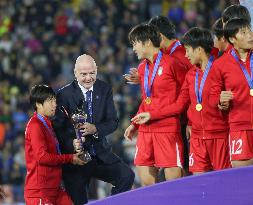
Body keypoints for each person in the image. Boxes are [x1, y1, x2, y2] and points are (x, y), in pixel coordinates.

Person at [132, 27, 231, 174]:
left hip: (219, 134)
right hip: (197, 137)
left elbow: (230, 94)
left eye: (188, 50)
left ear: (198, 49)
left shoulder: (221, 68)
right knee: (198, 184)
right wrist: (190, 122)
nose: (185, 55)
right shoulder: (191, 75)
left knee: (223, 180)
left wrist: (225, 101)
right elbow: (182, 104)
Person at [52, 54, 134, 205]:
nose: (88, 78)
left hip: (100, 155)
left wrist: (95, 128)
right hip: (76, 160)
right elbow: (58, 129)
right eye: (84, 74)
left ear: (96, 71)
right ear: (75, 73)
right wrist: (72, 143)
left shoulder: (104, 89)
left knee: (127, 176)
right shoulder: (64, 95)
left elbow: (113, 122)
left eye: (92, 73)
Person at [124, 16, 192, 174]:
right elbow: (147, 99)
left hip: (169, 126)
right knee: (145, 176)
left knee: (175, 179)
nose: (133, 48)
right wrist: (135, 123)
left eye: (135, 43)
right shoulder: (143, 68)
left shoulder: (174, 62)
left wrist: (190, 121)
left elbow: (187, 95)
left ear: (148, 41)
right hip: (147, 127)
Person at [24, 85, 85, 205]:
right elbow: (42, 157)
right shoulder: (36, 125)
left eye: (54, 100)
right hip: (40, 192)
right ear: (38, 104)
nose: (54, 104)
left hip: (55, 189)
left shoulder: (47, 124)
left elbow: (55, 152)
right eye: (49, 101)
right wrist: (70, 158)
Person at [209, 18, 253, 168]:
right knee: (242, 178)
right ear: (233, 39)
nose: (250, 35)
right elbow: (212, 96)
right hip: (240, 127)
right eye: (244, 32)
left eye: (249, 31)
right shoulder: (220, 65)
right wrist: (220, 100)